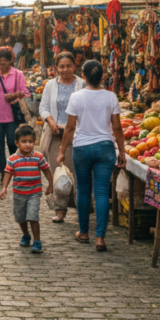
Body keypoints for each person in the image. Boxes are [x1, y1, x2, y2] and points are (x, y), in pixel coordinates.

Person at [57, 60, 127, 252]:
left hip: (82, 148)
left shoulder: (77, 97)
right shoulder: (111, 97)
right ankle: (100, 238)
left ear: (83, 75)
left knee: (84, 189)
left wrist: (62, 150)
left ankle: (84, 232)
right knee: (102, 191)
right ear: (103, 76)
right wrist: (121, 151)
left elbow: (70, 127)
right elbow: (117, 127)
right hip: (105, 147)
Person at [38, 52, 85, 223]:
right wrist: (50, 120)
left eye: (68, 66)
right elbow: (43, 107)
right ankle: (60, 209)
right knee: (56, 174)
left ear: (74, 66)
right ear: (56, 67)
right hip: (55, 135)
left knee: (76, 173)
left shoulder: (82, 84)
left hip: (76, 136)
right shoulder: (51, 85)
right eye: (61, 66)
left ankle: (81, 207)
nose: (65, 70)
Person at [0, 125, 53, 254]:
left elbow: (46, 169)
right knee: (21, 217)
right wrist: (4, 188)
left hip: (34, 193)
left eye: (30, 141)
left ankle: (37, 241)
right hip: (19, 194)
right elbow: (8, 174)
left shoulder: (38, 157)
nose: (27, 145)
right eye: (24, 141)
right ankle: (26, 235)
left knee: (33, 216)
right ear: (17, 143)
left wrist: (51, 184)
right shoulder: (12, 159)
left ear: (34, 141)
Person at [0, 47, 29, 180]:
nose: (1, 66)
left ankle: (14, 168)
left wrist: (14, 95)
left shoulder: (18, 74)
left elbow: (25, 93)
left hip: (11, 116)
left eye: (4, 63)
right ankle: (3, 171)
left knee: (12, 142)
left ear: (10, 61)